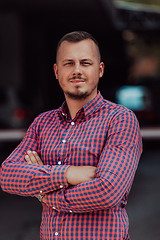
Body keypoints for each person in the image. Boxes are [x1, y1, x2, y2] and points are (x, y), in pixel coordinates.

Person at [0, 31, 142, 240]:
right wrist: (68, 174)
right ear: (56, 71)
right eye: (69, 63)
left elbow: (107, 190)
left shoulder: (120, 119)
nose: (77, 70)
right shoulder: (42, 123)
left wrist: (44, 195)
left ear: (100, 69)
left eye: (85, 63)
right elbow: (8, 175)